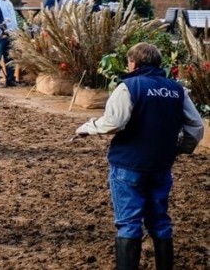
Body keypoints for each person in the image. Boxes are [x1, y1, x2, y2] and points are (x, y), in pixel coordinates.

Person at [74, 43, 204, 270]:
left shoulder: (128, 87)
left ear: (133, 63)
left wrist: (88, 127)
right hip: (160, 165)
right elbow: (196, 127)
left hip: (128, 164)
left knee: (129, 223)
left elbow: (114, 122)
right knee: (160, 221)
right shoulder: (177, 90)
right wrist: (180, 149)